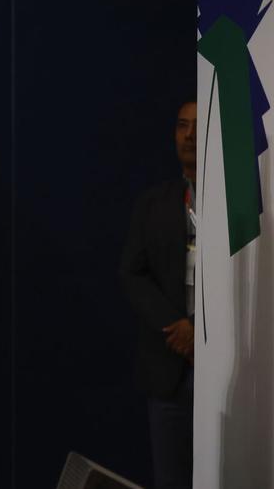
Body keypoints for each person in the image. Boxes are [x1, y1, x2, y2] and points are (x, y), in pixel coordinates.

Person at [120, 101, 197, 489]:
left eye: (198, 126)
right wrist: (179, 328)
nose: (189, 135)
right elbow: (133, 274)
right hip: (168, 364)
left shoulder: (243, 208)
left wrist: (200, 332)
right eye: (182, 125)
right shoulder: (154, 203)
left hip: (223, 362)